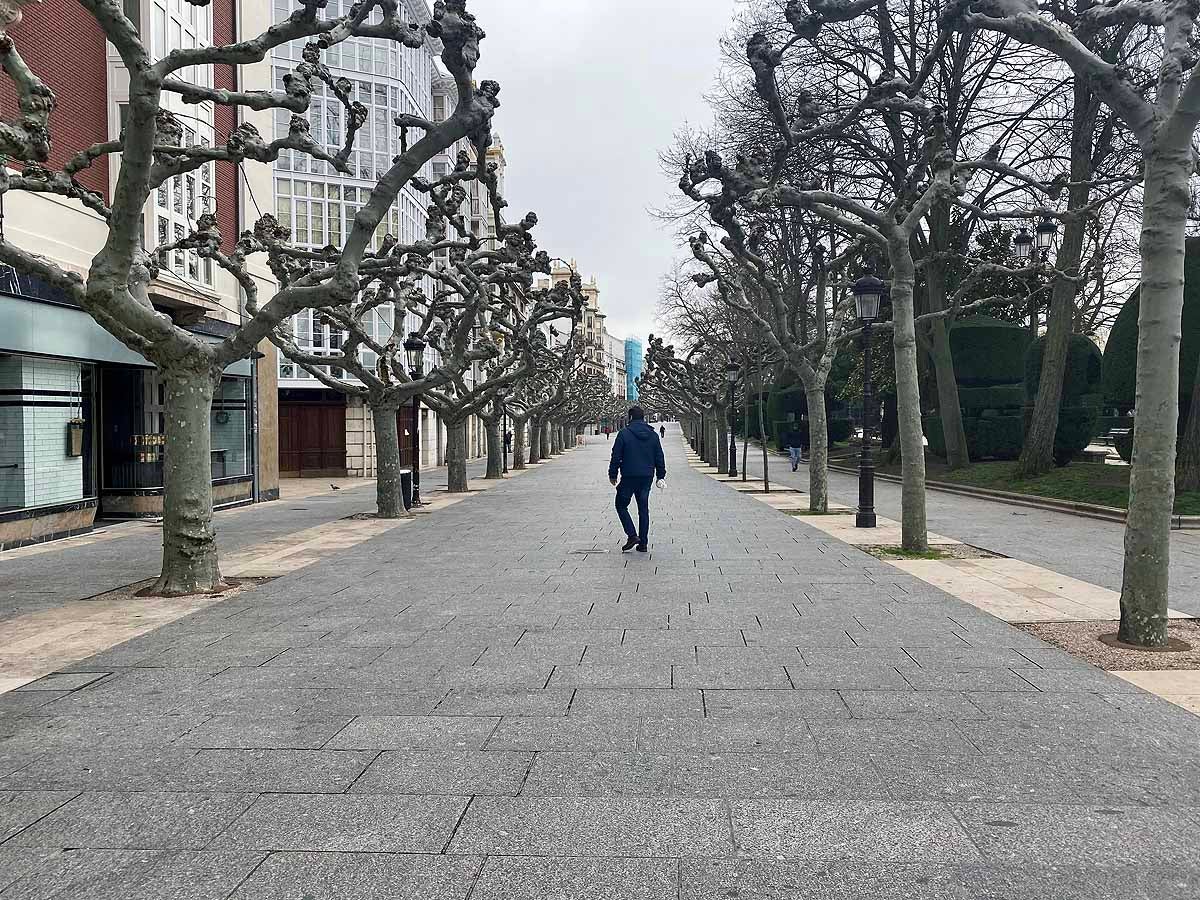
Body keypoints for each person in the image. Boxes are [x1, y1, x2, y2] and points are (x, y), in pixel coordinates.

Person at [609, 406, 666, 552]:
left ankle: (632, 535)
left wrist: (613, 474)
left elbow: (616, 455)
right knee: (643, 509)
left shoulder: (624, 434)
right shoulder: (653, 435)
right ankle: (643, 543)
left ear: (630, 418)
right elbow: (659, 456)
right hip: (646, 477)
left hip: (629, 476)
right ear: (643, 418)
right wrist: (660, 475)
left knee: (621, 505)